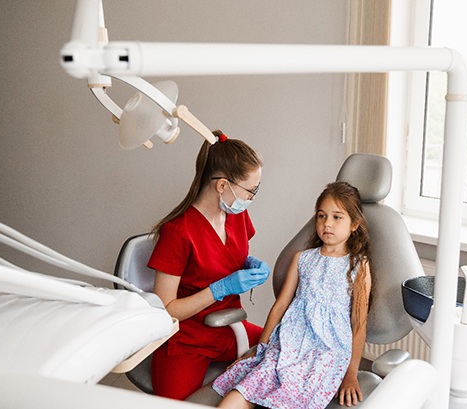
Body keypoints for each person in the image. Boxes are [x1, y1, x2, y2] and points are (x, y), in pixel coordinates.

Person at [212, 181, 372, 409]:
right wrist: (261, 348)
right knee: (236, 397)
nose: (327, 223)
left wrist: (351, 373)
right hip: (286, 345)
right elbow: (280, 306)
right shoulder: (302, 259)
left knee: (287, 396)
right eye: (321, 216)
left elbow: (359, 323)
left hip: (324, 353)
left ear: (354, 223)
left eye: (337, 217)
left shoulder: (358, 266)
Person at [147, 130, 270, 400]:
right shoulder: (177, 232)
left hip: (230, 328)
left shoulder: (236, 215)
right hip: (188, 339)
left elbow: (230, 254)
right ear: (222, 185)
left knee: (286, 354)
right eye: (251, 190)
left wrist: (249, 264)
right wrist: (218, 289)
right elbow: (167, 311)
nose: (251, 198)